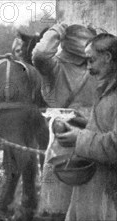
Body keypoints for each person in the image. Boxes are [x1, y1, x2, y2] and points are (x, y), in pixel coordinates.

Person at [31, 23, 98, 219]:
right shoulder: (101, 65)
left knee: (57, 205)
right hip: (94, 133)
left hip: (63, 136)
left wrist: (56, 30)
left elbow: (41, 53)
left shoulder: (54, 67)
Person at [54, 33, 117, 221]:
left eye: (91, 60)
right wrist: (84, 122)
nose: (88, 68)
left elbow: (115, 145)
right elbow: (106, 126)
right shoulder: (107, 88)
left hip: (109, 193)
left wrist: (79, 138)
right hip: (96, 189)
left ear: (107, 58)